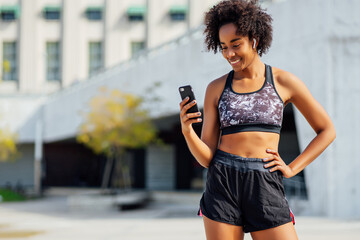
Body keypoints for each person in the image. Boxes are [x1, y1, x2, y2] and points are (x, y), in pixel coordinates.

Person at [178, 0, 336, 239]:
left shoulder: (284, 81)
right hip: (222, 182)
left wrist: (292, 168)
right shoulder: (216, 88)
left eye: (235, 44)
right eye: (223, 46)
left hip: (264, 181)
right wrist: (188, 132)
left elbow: (327, 130)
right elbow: (206, 158)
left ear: (254, 39)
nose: (229, 53)